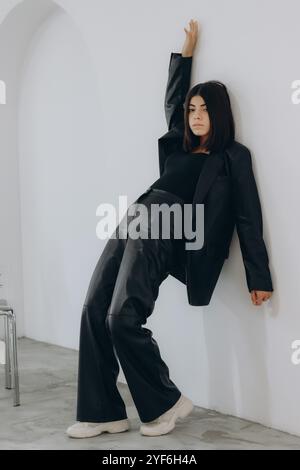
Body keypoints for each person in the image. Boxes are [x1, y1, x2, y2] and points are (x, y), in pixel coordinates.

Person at [66, 19, 273, 439]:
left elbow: (249, 217)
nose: (196, 116)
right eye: (192, 110)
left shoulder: (233, 157)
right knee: (93, 309)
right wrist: (186, 54)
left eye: (205, 109)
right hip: (138, 214)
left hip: (170, 222)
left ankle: (166, 401)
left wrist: (259, 275)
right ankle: (103, 410)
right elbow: (173, 98)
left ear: (220, 114)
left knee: (123, 316)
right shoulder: (179, 140)